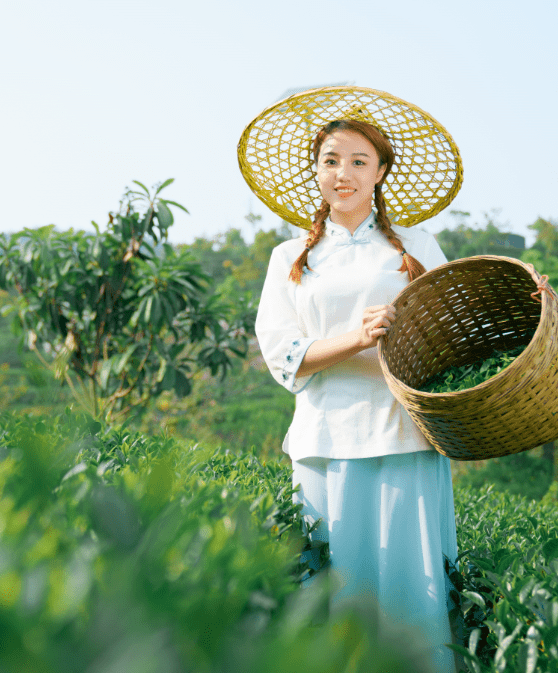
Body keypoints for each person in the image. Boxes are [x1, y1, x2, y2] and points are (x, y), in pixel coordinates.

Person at [238, 87, 463, 671]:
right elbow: (284, 355)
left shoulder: (415, 245)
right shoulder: (290, 257)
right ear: (315, 171)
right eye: (331, 160)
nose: (344, 174)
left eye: (359, 161)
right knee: (332, 587)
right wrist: (358, 339)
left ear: (381, 172)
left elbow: (454, 331)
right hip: (324, 439)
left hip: (404, 433)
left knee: (413, 592)